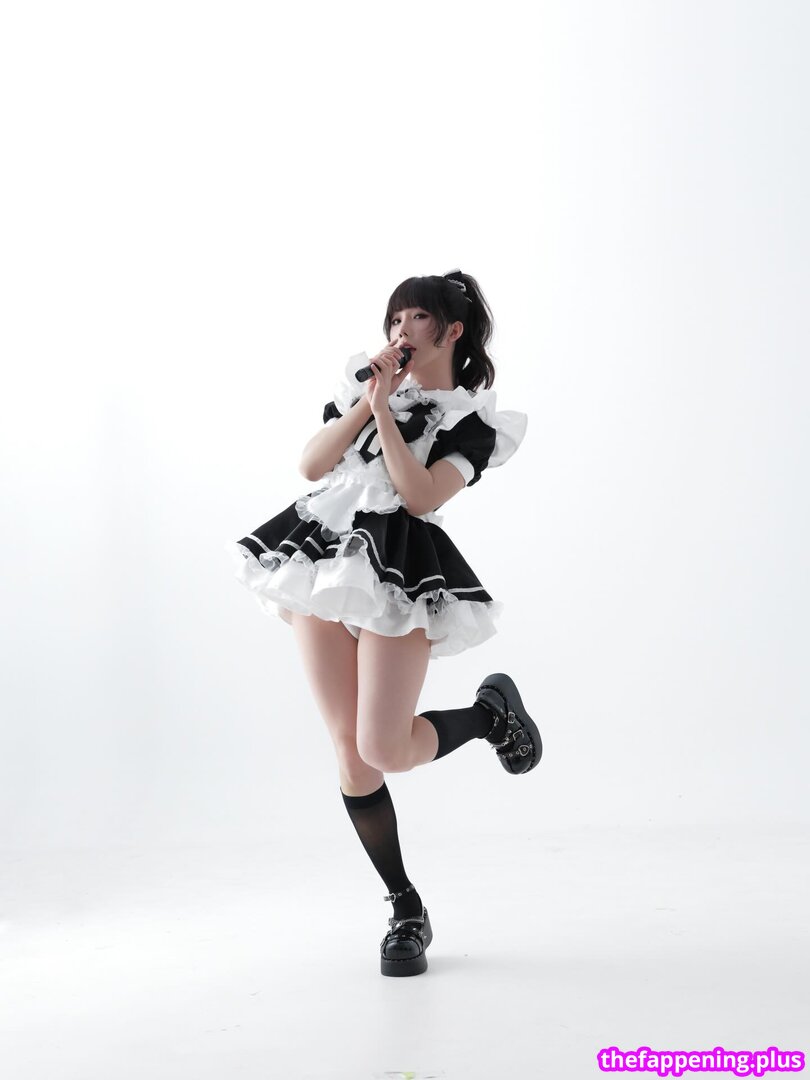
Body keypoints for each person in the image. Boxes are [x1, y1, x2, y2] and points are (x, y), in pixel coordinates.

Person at [225, 268, 542, 977]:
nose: (400, 331)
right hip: (321, 558)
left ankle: (490, 716)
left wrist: (390, 416)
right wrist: (370, 403)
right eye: (394, 319)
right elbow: (312, 465)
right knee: (351, 754)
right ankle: (405, 907)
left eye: (415, 319)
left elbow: (421, 496)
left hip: (399, 568)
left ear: (451, 331)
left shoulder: (471, 422)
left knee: (386, 747)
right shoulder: (364, 387)